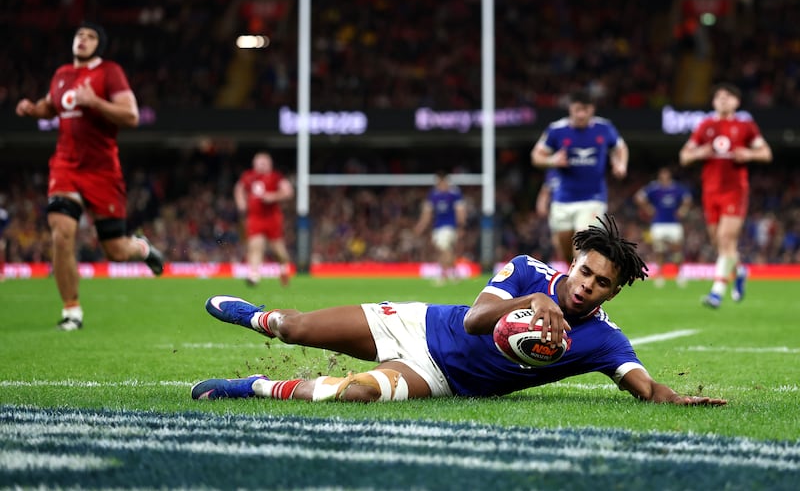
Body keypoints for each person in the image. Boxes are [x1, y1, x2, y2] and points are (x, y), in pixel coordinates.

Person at [191, 214, 726, 407]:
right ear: (574, 261)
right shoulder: (527, 271)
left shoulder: (605, 340)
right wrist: (533, 300)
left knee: (355, 393)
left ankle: (256, 387)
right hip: (417, 324)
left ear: (613, 293)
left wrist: (675, 399)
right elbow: (474, 320)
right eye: (585, 272)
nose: (587, 286)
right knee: (296, 328)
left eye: (602, 283)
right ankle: (258, 317)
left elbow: (644, 387)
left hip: (440, 379)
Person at [15, 21, 164, 330]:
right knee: (61, 232)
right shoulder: (61, 74)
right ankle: (72, 311)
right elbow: (50, 106)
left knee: (116, 251)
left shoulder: (109, 72)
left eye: (91, 36)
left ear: (100, 44)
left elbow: (131, 115)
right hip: (66, 166)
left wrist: (94, 102)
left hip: (102, 171)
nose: (83, 39)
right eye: (79, 34)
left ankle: (141, 247)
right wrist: (33, 109)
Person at [679, 82, 773, 308]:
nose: (722, 99)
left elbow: (766, 153)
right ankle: (740, 271)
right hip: (710, 191)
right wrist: (699, 153)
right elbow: (684, 156)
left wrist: (749, 154)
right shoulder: (705, 126)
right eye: (719, 96)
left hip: (735, 190)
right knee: (720, 244)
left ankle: (717, 292)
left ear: (736, 102)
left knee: (725, 239)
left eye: (728, 96)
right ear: (713, 102)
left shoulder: (745, 126)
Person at [531, 90, 629, 263]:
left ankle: (579, 277)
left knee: (582, 244)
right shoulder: (556, 130)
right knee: (564, 248)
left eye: (585, 110)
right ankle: (573, 272)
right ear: (570, 108)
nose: (581, 114)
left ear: (592, 109)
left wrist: (621, 164)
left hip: (593, 198)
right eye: (577, 110)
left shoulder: (604, 128)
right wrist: (552, 160)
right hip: (563, 199)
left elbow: (620, 148)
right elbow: (536, 156)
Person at [234, 151, 294, 287]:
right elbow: (239, 189)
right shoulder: (248, 176)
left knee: (278, 250)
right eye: (259, 163)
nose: (261, 165)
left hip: (272, 218)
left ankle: (283, 270)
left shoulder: (276, 177)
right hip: (255, 217)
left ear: (270, 164)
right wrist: (241, 204)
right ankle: (254, 275)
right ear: (254, 164)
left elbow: (288, 191)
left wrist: (273, 196)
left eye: (264, 163)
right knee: (255, 245)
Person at [634, 167, 692, 287]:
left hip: (674, 223)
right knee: (659, 250)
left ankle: (679, 274)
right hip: (658, 223)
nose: (664, 177)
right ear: (659, 176)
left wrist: (683, 209)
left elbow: (688, 198)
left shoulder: (676, 188)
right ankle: (660, 275)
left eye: (666, 175)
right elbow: (639, 196)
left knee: (677, 249)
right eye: (662, 175)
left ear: (669, 176)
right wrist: (647, 208)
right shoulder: (654, 188)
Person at [413, 171, 467, 284]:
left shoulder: (454, 194)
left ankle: (443, 274)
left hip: (450, 226)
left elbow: (460, 211)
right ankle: (454, 273)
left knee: (444, 249)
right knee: (444, 250)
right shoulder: (433, 195)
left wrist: (461, 226)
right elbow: (427, 213)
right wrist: (420, 226)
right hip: (438, 227)